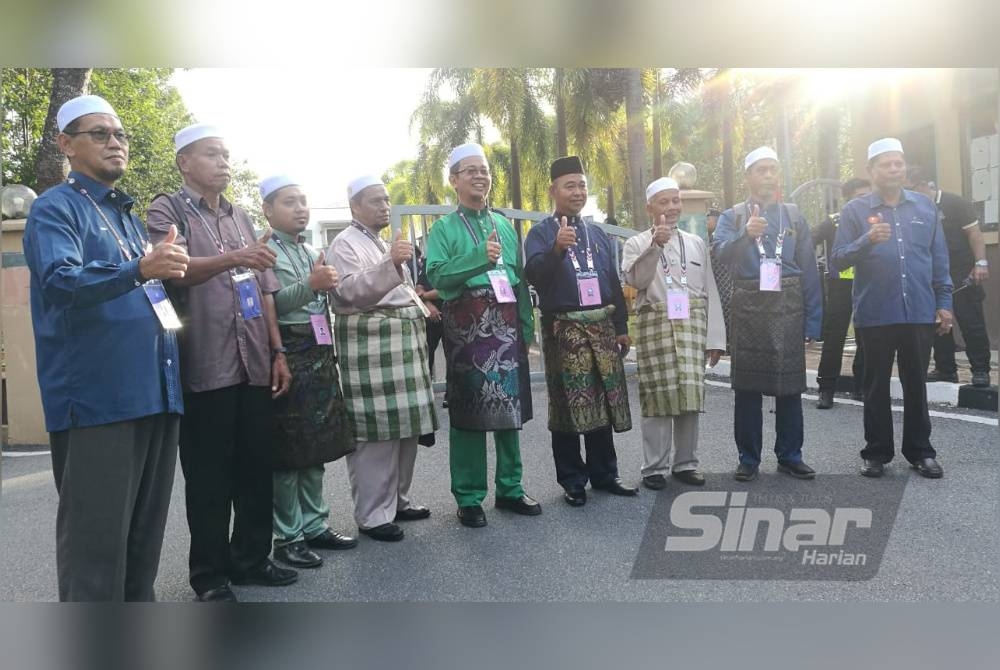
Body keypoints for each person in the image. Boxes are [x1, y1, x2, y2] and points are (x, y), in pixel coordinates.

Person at [23, 95, 189, 601]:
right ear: (66, 145)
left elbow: (149, 296)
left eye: (120, 135)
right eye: (99, 133)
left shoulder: (128, 219)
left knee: (142, 549)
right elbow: (60, 281)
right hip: (99, 402)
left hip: (155, 396)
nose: (114, 142)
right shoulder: (56, 208)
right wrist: (140, 269)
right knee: (95, 553)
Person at [147, 123, 294, 602]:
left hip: (252, 358)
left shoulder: (241, 216)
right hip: (203, 363)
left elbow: (264, 290)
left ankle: (252, 558)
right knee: (210, 475)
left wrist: (277, 351)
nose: (224, 162)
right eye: (213, 154)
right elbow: (172, 268)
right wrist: (235, 257)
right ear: (184, 162)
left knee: (256, 466)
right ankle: (209, 575)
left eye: (227, 154)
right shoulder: (167, 208)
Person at [425, 143, 540, 528]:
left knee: (510, 410)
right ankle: (470, 496)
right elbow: (438, 277)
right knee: (469, 413)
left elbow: (519, 281)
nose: (480, 176)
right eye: (470, 170)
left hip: (506, 327)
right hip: (467, 328)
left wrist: (526, 325)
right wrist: (478, 257)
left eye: (485, 170)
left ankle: (510, 488)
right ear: (454, 180)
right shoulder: (442, 229)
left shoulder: (505, 224)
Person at [831, 139, 953, 479]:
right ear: (871, 170)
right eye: (886, 163)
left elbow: (939, 261)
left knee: (916, 383)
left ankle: (921, 452)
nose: (895, 168)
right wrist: (866, 240)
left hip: (918, 310)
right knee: (875, 385)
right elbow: (837, 261)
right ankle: (876, 453)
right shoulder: (855, 212)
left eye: (899, 162)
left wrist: (944, 303)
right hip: (875, 312)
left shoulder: (925, 209)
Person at [327, 175, 437, 541]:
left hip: (399, 343)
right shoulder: (344, 243)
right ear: (355, 206)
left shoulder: (379, 241)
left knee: (405, 429)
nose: (385, 206)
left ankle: (398, 501)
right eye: (375, 201)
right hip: (372, 346)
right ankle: (374, 514)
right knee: (376, 434)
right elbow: (346, 293)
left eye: (387, 200)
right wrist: (390, 264)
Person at [524, 155, 637, 507]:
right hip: (564, 330)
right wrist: (557, 248)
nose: (577, 192)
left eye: (582, 185)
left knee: (602, 400)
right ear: (553, 190)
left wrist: (620, 327)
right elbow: (535, 276)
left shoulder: (598, 234)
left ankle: (605, 474)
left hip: (601, 327)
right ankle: (573, 479)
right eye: (570, 185)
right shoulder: (541, 233)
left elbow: (613, 285)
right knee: (567, 406)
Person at [258, 175, 357, 569]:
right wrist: (311, 284)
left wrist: (323, 285)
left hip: (317, 349)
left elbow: (317, 299)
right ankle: (288, 536)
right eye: (288, 202)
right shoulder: (264, 252)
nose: (300, 208)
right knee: (288, 450)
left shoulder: (309, 248)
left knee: (314, 446)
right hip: (287, 351)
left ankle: (315, 525)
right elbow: (272, 306)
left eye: (303, 201)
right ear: (267, 209)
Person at [712, 146, 822, 482]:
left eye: (773, 169)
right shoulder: (732, 217)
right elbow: (719, 254)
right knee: (747, 389)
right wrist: (746, 236)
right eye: (761, 169)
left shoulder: (793, 215)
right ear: (748, 176)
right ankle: (748, 458)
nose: (768, 175)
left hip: (789, 306)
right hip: (749, 307)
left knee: (790, 388)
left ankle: (790, 455)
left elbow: (808, 268)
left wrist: (813, 320)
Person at [623, 178, 726, 490]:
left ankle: (685, 463)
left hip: (692, 325)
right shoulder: (636, 243)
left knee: (690, 398)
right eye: (664, 202)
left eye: (675, 201)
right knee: (657, 397)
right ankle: (653, 467)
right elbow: (636, 281)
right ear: (650, 208)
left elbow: (709, 289)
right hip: (656, 323)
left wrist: (716, 339)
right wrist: (655, 245)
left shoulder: (695, 243)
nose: (671, 208)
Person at [906, 165, 992, 387]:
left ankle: (981, 370)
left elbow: (975, 234)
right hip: (932, 275)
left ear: (922, 184)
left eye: (909, 189)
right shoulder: (913, 209)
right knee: (938, 323)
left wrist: (980, 263)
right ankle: (945, 369)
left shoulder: (955, 203)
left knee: (971, 323)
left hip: (963, 273)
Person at [813, 178, 872, 408]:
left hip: (869, 285)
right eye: (860, 196)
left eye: (868, 195)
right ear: (848, 199)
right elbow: (809, 239)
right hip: (841, 285)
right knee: (834, 339)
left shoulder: (875, 219)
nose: (865, 201)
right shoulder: (835, 221)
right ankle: (826, 389)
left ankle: (862, 387)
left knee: (866, 337)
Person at [414, 246, 446, 404]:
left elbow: (449, 288)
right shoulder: (429, 261)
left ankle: (452, 394)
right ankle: (426, 392)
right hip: (430, 315)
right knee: (426, 354)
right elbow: (418, 286)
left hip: (452, 312)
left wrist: (424, 296)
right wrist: (427, 303)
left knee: (455, 356)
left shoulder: (456, 259)